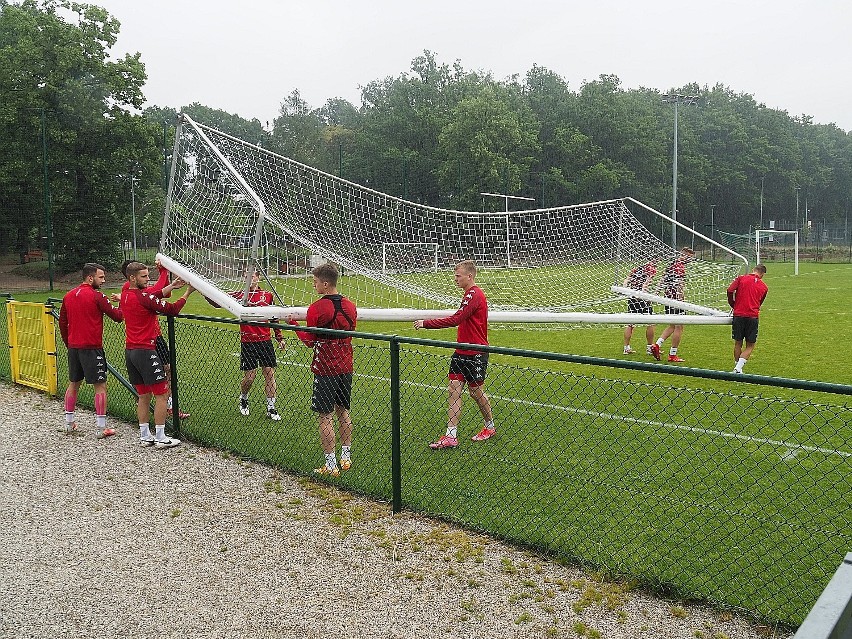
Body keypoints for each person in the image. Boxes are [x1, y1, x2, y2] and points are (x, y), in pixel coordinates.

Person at [414, 260, 495, 449]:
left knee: (475, 392)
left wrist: (426, 323)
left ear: (470, 276)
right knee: (454, 389)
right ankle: (451, 436)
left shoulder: (475, 294)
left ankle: (489, 426)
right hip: (461, 351)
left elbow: (456, 319)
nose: (455, 279)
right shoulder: (468, 294)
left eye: (458, 276)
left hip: (476, 352)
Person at [288, 263, 357, 477]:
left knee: (325, 416)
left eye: (315, 281)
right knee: (343, 411)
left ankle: (330, 464)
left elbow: (309, 342)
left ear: (325, 284)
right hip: (346, 366)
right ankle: (345, 458)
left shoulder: (316, 308)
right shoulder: (351, 306)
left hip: (326, 368)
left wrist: (294, 326)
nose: (313, 285)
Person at [120, 261, 195, 448]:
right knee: (161, 394)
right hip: (146, 351)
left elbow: (152, 294)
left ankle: (145, 435)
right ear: (132, 278)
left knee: (143, 396)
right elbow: (172, 309)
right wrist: (187, 293)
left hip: (130, 352)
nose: (148, 280)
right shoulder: (144, 296)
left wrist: (171, 286)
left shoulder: (125, 295)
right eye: (144, 276)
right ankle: (161, 437)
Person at [58, 263, 123, 438]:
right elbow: (118, 317)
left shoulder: (69, 295)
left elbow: (62, 323)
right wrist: (124, 301)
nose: (104, 280)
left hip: (74, 347)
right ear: (90, 277)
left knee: (73, 384)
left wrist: (69, 342)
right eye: (101, 277)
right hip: (92, 348)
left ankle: (69, 424)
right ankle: (101, 428)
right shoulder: (97, 296)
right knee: (100, 386)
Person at [228, 270, 285, 421]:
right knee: (250, 377)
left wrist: (279, 337)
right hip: (248, 342)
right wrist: (204, 291)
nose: (249, 279)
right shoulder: (239, 295)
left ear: (258, 278)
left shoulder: (267, 295)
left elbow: (274, 317)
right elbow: (216, 303)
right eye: (246, 277)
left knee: (269, 373)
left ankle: (271, 408)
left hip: (265, 341)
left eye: (252, 276)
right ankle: (244, 398)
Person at [653, 247, 695, 363]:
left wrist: (656, 294)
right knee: (679, 327)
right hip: (675, 300)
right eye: (690, 258)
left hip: (668, 298)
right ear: (685, 255)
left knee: (672, 325)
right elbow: (679, 285)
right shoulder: (680, 267)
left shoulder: (671, 265)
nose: (690, 261)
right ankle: (672, 355)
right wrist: (681, 300)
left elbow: (662, 280)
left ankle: (657, 345)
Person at [727, 264, 768, 374]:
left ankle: (737, 368)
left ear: (753, 270)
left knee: (738, 343)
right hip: (752, 316)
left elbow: (730, 290)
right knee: (750, 345)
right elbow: (760, 303)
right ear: (762, 274)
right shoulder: (764, 287)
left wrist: (733, 304)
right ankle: (738, 368)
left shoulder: (741, 278)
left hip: (738, 315)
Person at [622, 261, 658, 358]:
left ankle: (626, 348)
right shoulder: (651, 269)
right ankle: (649, 348)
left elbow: (626, 281)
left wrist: (625, 291)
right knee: (651, 322)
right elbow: (646, 284)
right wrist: (645, 296)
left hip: (632, 297)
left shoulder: (636, 269)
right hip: (641, 298)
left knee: (630, 323)